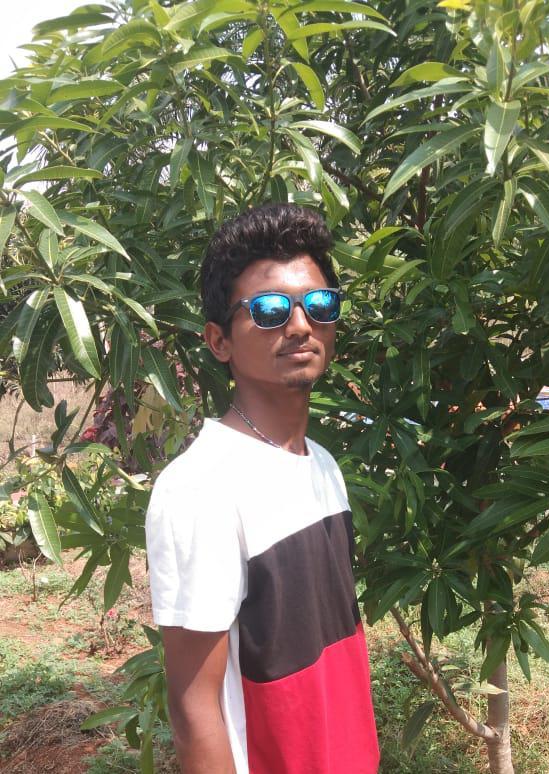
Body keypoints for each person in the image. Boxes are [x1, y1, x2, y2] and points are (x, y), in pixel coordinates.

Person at [145, 204, 380, 774]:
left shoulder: (323, 465)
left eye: (319, 304)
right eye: (269, 310)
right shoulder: (200, 489)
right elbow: (194, 710)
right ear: (219, 341)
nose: (300, 325)